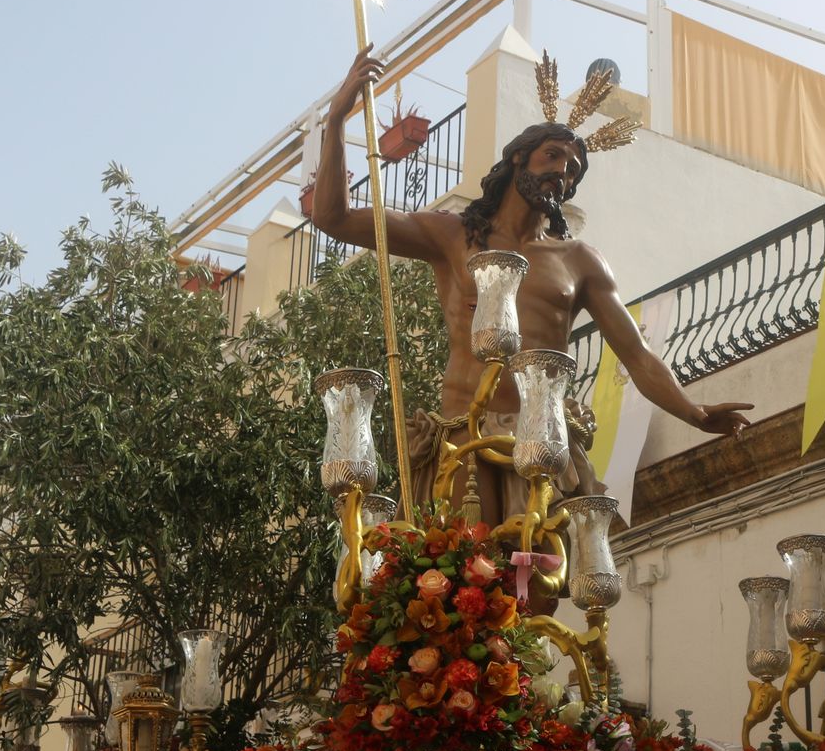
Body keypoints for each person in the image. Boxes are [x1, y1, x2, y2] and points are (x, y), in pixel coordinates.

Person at [311, 46, 752, 527]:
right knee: (471, 576)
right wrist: (337, 121)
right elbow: (332, 217)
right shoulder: (452, 236)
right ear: (520, 157)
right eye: (554, 155)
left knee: (536, 583)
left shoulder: (579, 262)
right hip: (466, 433)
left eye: (573, 169)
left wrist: (694, 412)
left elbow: (638, 354)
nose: (562, 171)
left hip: (540, 439)